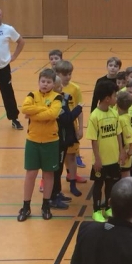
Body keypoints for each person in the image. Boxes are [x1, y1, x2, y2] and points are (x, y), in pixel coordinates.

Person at [18, 70, 64, 222]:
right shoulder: (32, 95)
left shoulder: (57, 97)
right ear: (39, 82)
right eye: (43, 81)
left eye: (48, 82)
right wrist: (44, 109)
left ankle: (46, 205)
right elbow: (25, 109)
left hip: (51, 141)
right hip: (33, 140)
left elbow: (53, 114)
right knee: (31, 173)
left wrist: (33, 114)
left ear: (53, 84)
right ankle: (26, 206)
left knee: (48, 174)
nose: (45, 84)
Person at [87, 80, 132, 222]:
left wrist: (121, 151)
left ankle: (108, 207)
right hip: (101, 160)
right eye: (114, 95)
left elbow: (118, 133)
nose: (116, 98)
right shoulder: (94, 116)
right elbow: (93, 140)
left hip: (114, 158)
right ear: (107, 98)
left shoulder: (114, 113)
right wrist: (97, 159)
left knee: (111, 184)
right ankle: (96, 210)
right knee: (98, 185)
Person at [54, 59, 85, 199]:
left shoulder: (75, 89)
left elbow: (79, 109)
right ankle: (53, 186)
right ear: (57, 74)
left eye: (69, 74)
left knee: (71, 156)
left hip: (71, 128)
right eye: (64, 74)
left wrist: (80, 128)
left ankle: (72, 183)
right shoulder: (53, 88)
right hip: (57, 129)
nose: (68, 77)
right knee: (56, 160)